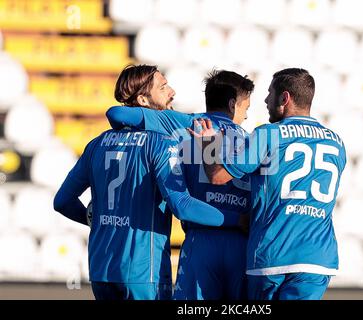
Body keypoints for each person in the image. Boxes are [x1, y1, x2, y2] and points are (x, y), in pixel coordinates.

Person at [53, 64, 236, 300]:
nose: (172, 92)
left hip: (101, 269)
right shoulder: (161, 143)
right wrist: (236, 220)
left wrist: (95, 219)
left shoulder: (96, 144)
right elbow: (182, 206)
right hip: (142, 271)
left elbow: (62, 201)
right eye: (163, 87)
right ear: (143, 100)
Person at [191, 68, 347, 300]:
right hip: (317, 259)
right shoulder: (337, 143)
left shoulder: (268, 134)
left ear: (284, 98)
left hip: (273, 254)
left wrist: (207, 145)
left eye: (269, 93)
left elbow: (217, 176)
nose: (265, 100)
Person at [105, 70, 255, 300]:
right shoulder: (254, 140)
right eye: (246, 108)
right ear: (233, 104)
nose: (245, 116)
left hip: (201, 240)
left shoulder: (185, 123)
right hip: (242, 244)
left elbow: (117, 113)